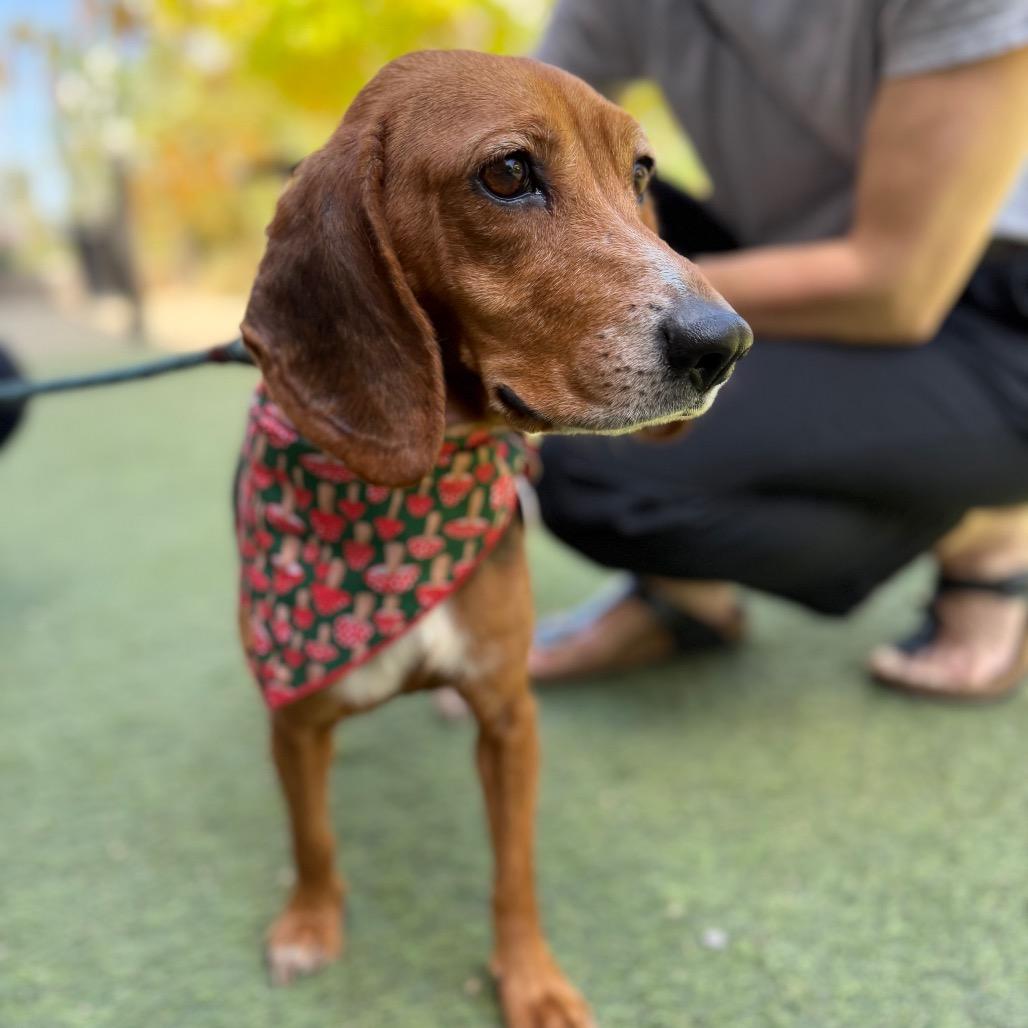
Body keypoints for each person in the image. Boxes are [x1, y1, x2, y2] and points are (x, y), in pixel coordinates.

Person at [529, 0, 1028, 700]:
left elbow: (898, 288)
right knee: (542, 193)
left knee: (597, 464)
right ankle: (685, 602)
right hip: (797, 259)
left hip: (992, 317)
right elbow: (515, 107)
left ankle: (982, 527)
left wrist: (600, 300)